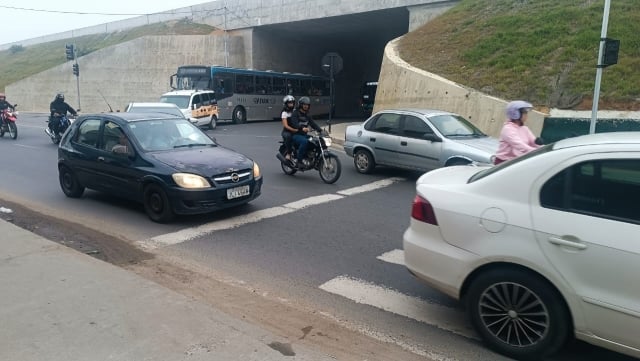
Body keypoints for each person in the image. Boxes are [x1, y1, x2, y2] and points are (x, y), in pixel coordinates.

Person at [494, 100, 540, 165]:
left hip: (516, 162)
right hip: (503, 163)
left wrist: (545, 148)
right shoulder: (508, 129)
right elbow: (521, 146)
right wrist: (537, 152)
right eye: (525, 113)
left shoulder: (524, 128)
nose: (527, 115)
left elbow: (533, 142)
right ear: (515, 113)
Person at [290, 96, 322, 167]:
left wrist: (320, 130)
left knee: (315, 141)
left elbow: (313, 123)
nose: (306, 106)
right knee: (304, 141)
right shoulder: (295, 113)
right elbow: (294, 124)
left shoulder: (307, 115)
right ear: (301, 105)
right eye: (304, 104)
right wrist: (302, 128)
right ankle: (299, 160)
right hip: (295, 135)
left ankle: (311, 157)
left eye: (307, 105)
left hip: (304, 135)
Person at [280, 95, 297, 160]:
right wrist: (293, 130)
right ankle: (289, 153)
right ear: (286, 104)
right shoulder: (284, 113)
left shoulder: (295, 111)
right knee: (288, 137)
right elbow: (285, 125)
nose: (291, 104)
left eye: (292, 103)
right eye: (289, 103)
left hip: (295, 130)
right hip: (287, 131)